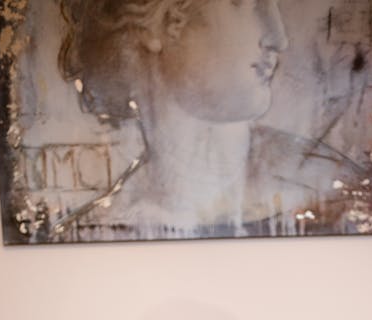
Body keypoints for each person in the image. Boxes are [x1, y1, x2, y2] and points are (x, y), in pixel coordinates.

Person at [55, 0, 288, 240]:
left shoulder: (306, 186)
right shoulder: (95, 233)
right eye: (245, 3)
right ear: (154, 27)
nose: (279, 38)